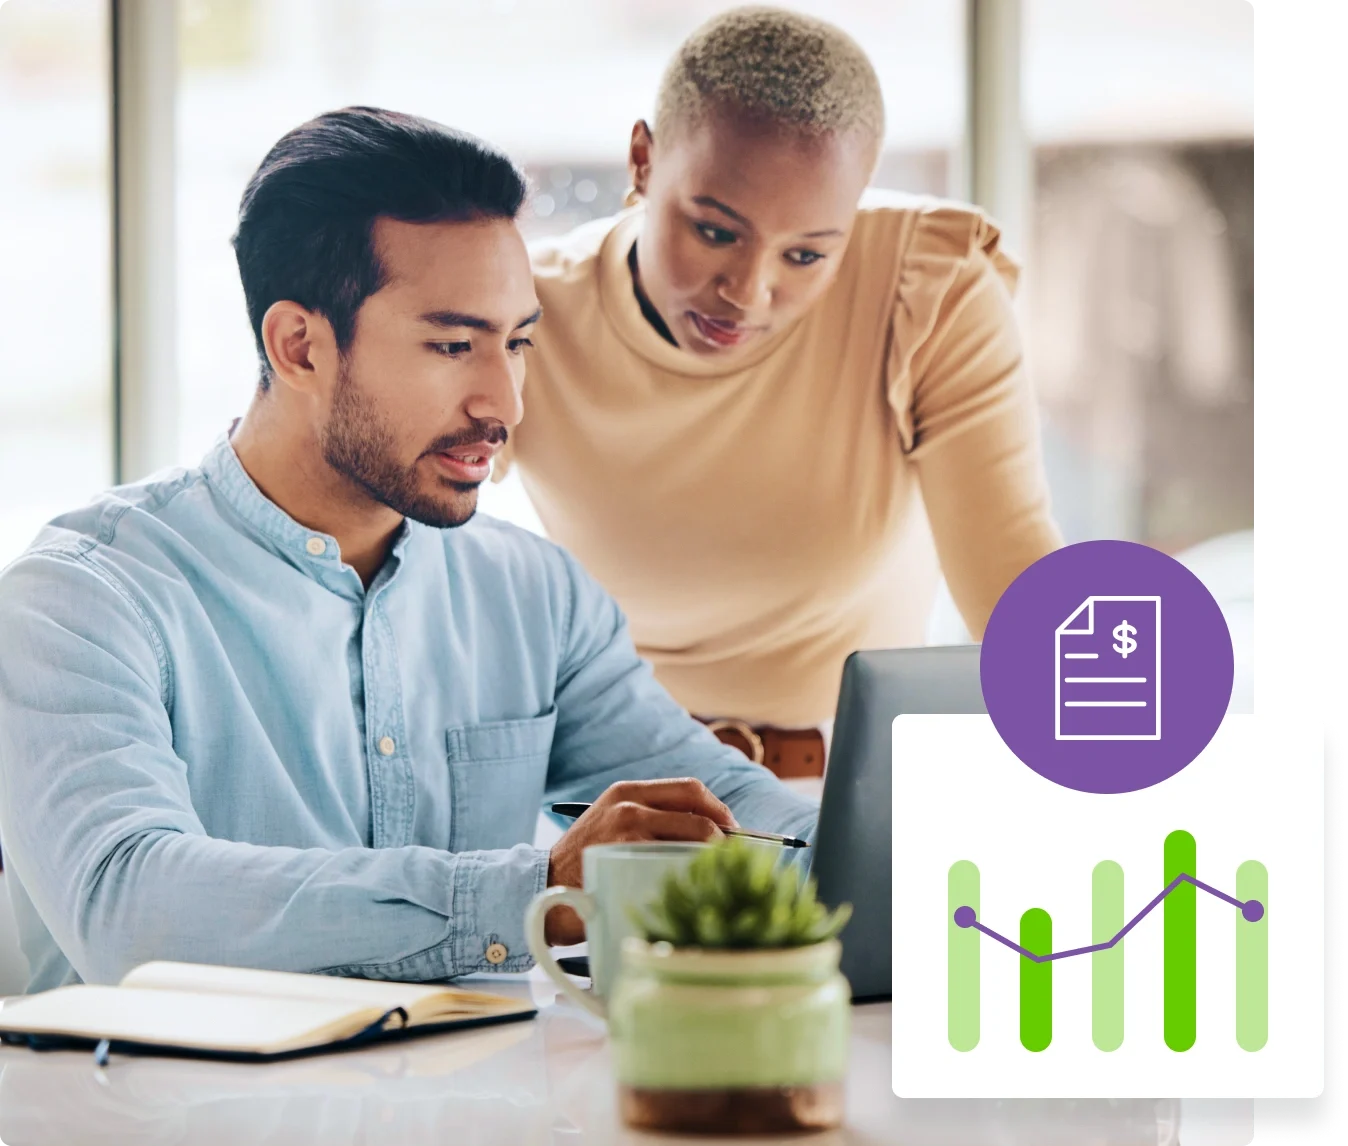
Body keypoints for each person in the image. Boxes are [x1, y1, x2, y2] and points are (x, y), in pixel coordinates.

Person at [0, 108, 816, 994]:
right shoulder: (80, 601)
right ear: (299, 346)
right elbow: (131, 908)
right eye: (454, 344)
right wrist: (536, 892)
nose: (501, 401)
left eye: (518, 343)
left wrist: (900, 851)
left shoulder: (536, 594)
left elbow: (726, 812)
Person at [498, 7, 1063, 775]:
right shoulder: (528, 311)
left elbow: (1016, 598)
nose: (748, 291)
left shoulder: (928, 288)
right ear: (642, 160)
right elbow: (397, 547)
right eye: (715, 232)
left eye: (806, 254)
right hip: (614, 797)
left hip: (852, 796)